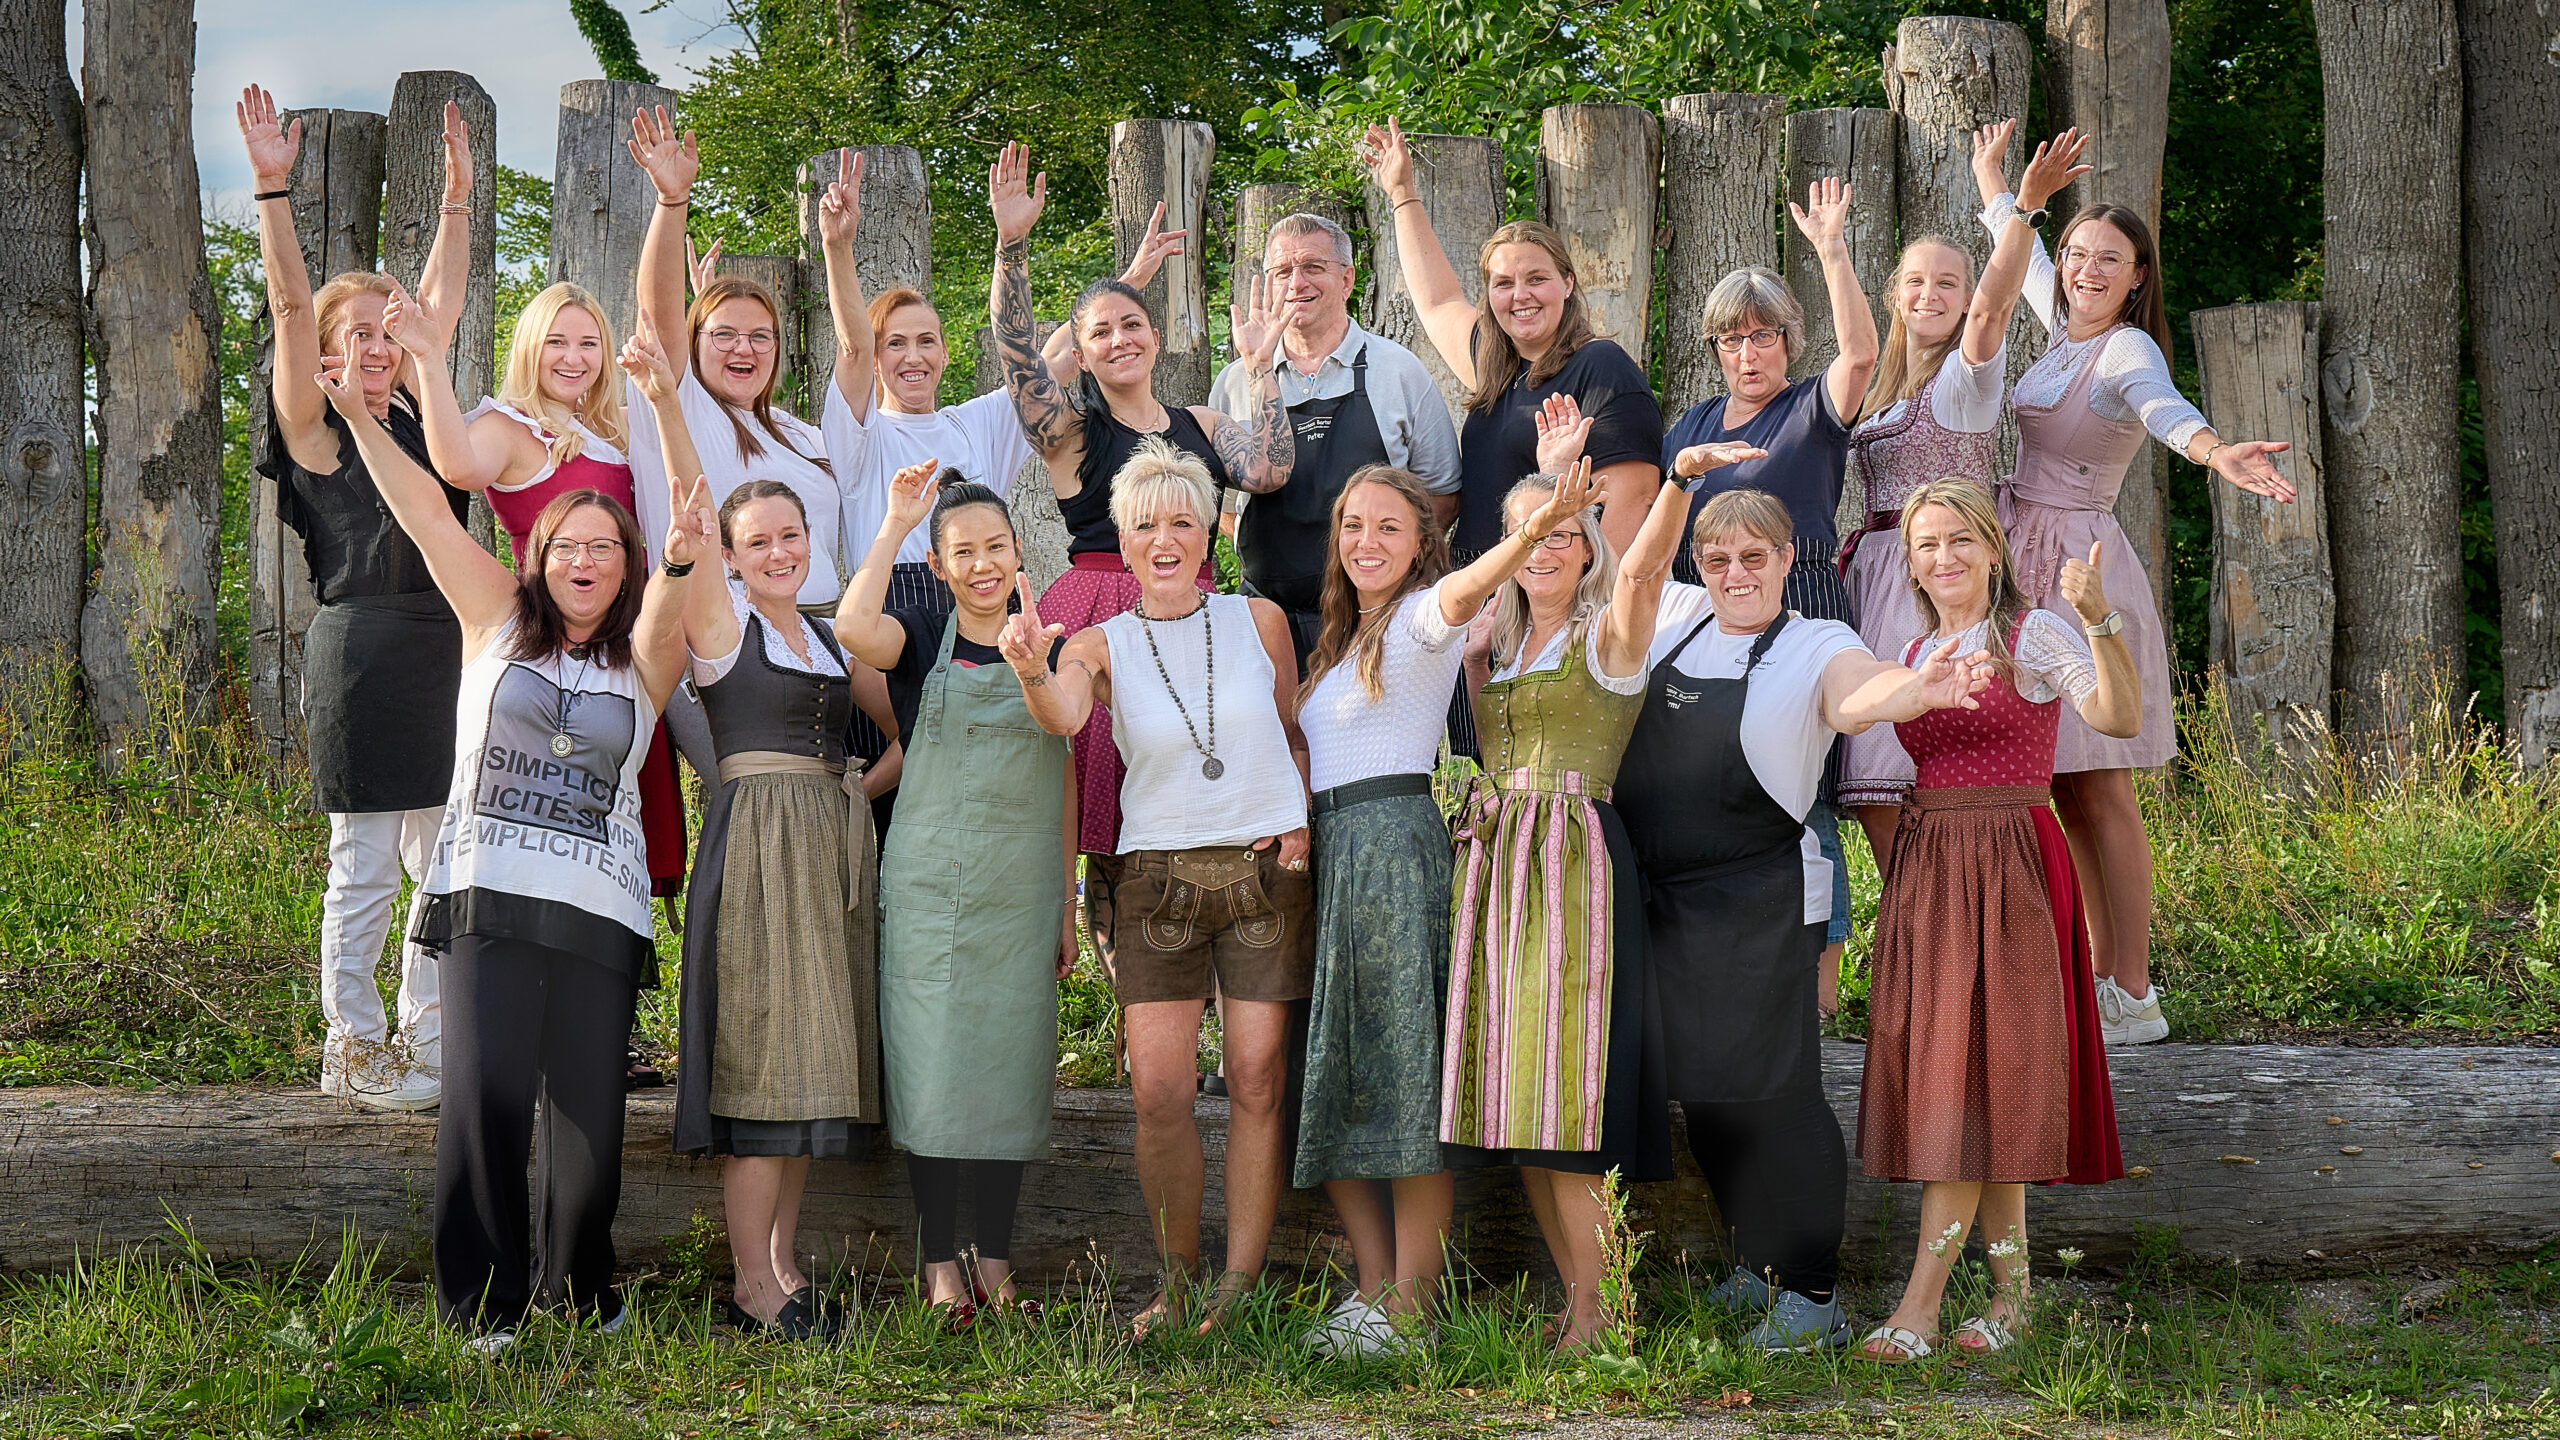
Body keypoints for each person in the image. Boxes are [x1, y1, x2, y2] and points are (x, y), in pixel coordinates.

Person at [312, 322, 698, 1351]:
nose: (584, 560)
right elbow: (427, 516)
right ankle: (481, 1306)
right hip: (488, 892)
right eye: (566, 546)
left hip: (599, 911)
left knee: (590, 1122)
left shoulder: (645, 659)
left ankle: (583, 1285)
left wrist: (664, 411)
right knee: (482, 1098)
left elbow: (691, 549)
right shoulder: (493, 619)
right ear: (535, 558)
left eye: (605, 549)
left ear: (625, 568)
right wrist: (358, 417)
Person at [1616, 488, 1993, 1355]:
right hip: (1662, 899)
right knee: (1706, 1099)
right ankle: (1758, 1266)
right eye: (1719, 559)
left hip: (1762, 898)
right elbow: (1624, 568)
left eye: (1756, 556)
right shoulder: (1673, 618)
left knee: (1776, 1097)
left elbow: (1861, 696)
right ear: (1697, 567)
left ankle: (1815, 1293)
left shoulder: (1818, 642)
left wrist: (1917, 690)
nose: (1737, 573)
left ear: (1790, 560)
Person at [1972, 129, 2296, 1045]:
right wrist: (1996, 184)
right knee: (2065, 783)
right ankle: (2101, 980)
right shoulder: (2057, 326)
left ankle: (2138, 990)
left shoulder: (2120, 353)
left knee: (2102, 783)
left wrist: (2214, 450)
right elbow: (2020, 249)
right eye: (2077, 255)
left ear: (2137, 277)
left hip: (2077, 567)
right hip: (2022, 553)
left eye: (2106, 259)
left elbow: (2166, 409)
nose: (2083, 269)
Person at [995, 438, 1311, 1338]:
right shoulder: (1097, 642)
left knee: (1255, 1077)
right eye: (1146, 525)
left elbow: (1290, 734)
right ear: (1123, 544)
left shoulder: (1260, 623)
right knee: (1160, 1094)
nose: (1164, 538)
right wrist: (1027, 661)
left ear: (1210, 532)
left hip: (1263, 872)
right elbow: (1061, 715)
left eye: (1182, 520)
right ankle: (1176, 1281)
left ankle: (1238, 1290)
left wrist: (1301, 819)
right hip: (1156, 878)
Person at [1285, 463, 1594, 1354]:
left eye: (1389, 527)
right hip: (1335, 857)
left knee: (1408, 1075)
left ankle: (1412, 1305)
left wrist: (1532, 536)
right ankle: (1376, 1290)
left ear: (1420, 543)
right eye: (1353, 526)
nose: (1367, 543)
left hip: (1394, 850)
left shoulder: (1423, 619)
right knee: (1340, 1070)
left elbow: (1466, 591)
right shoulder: (1343, 639)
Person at [987, 139, 1293, 962]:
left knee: (1195, 797)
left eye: (1133, 325)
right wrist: (1011, 247)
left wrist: (1261, 370)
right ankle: (1130, 993)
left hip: (1197, 616)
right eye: (1101, 332)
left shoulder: (1205, 424)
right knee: (1114, 824)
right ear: (1081, 352)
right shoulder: (1071, 434)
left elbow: (1270, 468)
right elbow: (1017, 357)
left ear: (1156, 338)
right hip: (1100, 608)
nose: (1120, 340)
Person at [660, 275, 897, 1336]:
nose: (778, 554)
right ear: (731, 552)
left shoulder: (822, 630)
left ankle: (785, 1269)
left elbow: (895, 737)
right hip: (755, 842)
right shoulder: (721, 624)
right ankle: (752, 1286)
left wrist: (856, 788)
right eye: (758, 544)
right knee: (760, 1062)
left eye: (790, 540)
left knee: (810, 1063)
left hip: (827, 839)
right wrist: (669, 412)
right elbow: (689, 510)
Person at [1854, 478, 2128, 1364]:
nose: (1945, 558)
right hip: (1933, 867)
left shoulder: (2035, 633)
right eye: (1928, 544)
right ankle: (2015, 1299)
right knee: (1963, 1080)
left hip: (2012, 862)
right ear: (1912, 562)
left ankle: (1920, 1307)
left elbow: (2116, 716)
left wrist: (2100, 620)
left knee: (1986, 1078)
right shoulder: (1915, 646)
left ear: (1993, 549)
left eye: (1962, 540)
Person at [818, 145, 1185, 805]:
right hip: (896, 614)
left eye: (926, 339)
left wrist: (1127, 277)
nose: (912, 355)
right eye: (894, 343)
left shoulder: (976, 423)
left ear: (946, 350)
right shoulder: (860, 435)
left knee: (985, 792)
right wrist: (838, 249)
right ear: (877, 358)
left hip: (983, 609)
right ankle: (863, 806)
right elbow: (850, 343)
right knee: (905, 800)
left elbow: (1058, 359)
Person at [239, 84, 473, 1111]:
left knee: (441, 862)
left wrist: (460, 200)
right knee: (366, 862)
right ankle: (353, 1041)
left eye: (389, 335)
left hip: (452, 653)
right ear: (328, 354)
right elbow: (291, 304)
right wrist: (271, 190)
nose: (378, 349)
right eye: (358, 337)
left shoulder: (429, 424)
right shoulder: (316, 432)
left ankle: (427, 1037)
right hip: (364, 658)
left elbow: (442, 307)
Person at [1441, 460, 1694, 1352]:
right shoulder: (1499, 648)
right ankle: (1581, 1304)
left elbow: (1644, 573)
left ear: (1587, 547)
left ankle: (1607, 1309)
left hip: (1573, 863)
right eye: (1531, 530)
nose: (1547, 547)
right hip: (1500, 862)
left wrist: (1680, 484)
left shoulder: (1608, 638)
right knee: (1523, 1095)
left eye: (1564, 532)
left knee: (1570, 1089)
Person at [837, 464, 1079, 1328]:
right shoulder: (917, 635)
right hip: (931, 889)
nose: (981, 565)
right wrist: (896, 521)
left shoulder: (1053, 649)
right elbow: (850, 623)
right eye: (963, 552)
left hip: (1019, 893)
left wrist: (1066, 905)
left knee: (1010, 1072)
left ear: (1021, 555)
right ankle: (941, 1262)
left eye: (995, 548)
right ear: (939, 567)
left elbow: (1065, 776)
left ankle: (998, 1262)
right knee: (934, 1075)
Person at [1357, 118, 1662, 761]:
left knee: (1539, 775)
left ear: (1568, 284)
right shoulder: (1497, 373)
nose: (1519, 295)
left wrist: (1573, 617)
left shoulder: (1603, 370)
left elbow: (1632, 513)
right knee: (1484, 783)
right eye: (1502, 283)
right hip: (1484, 614)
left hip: (1555, 618)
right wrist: (1403, 193)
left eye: (1536, 279)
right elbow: (1437, 300)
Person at [621, 108, 898, 811]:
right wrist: (670, 201)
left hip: (828, 647)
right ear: (696, 341)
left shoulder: (807, 437)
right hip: (725, 643)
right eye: (724, 335)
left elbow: (860, 354)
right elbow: (656, 314)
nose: (743, 349)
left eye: (760, 337)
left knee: (834, 826)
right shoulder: (678, 410)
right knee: (757, 811)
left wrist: (839, 248)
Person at [394, 276, 692, 913]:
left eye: (588, 343)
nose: (573, 357)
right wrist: (425, 358)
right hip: (557, 643)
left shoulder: (611, 426)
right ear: (530, 347)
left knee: (626, 824)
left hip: (635, 639)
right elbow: (457, 467)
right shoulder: (509, 425)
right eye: (556, 341)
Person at [1839, 123, 2088, 868]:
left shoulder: (1965, 385)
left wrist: (2024, 211)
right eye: (1917, 280)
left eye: (1949, 281)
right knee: (1865, 784)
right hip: (1874, 571)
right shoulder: (1878, 394)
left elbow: (1992, 312)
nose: (1932, 294)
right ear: (1895, 295)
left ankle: (1951, 913)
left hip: (1935, 572)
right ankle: (1911, 925)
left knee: (1905, 766)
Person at [1207, 212, 1464, 665]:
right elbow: (1225, 511)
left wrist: (1381, 575)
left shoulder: (1399, 372)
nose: (1296, 282)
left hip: (1376, 623)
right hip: (1268, 625)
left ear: (1347, 279)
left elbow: (1441, 497)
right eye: (1282, 271)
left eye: (1313, 267)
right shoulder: (1234, 383)